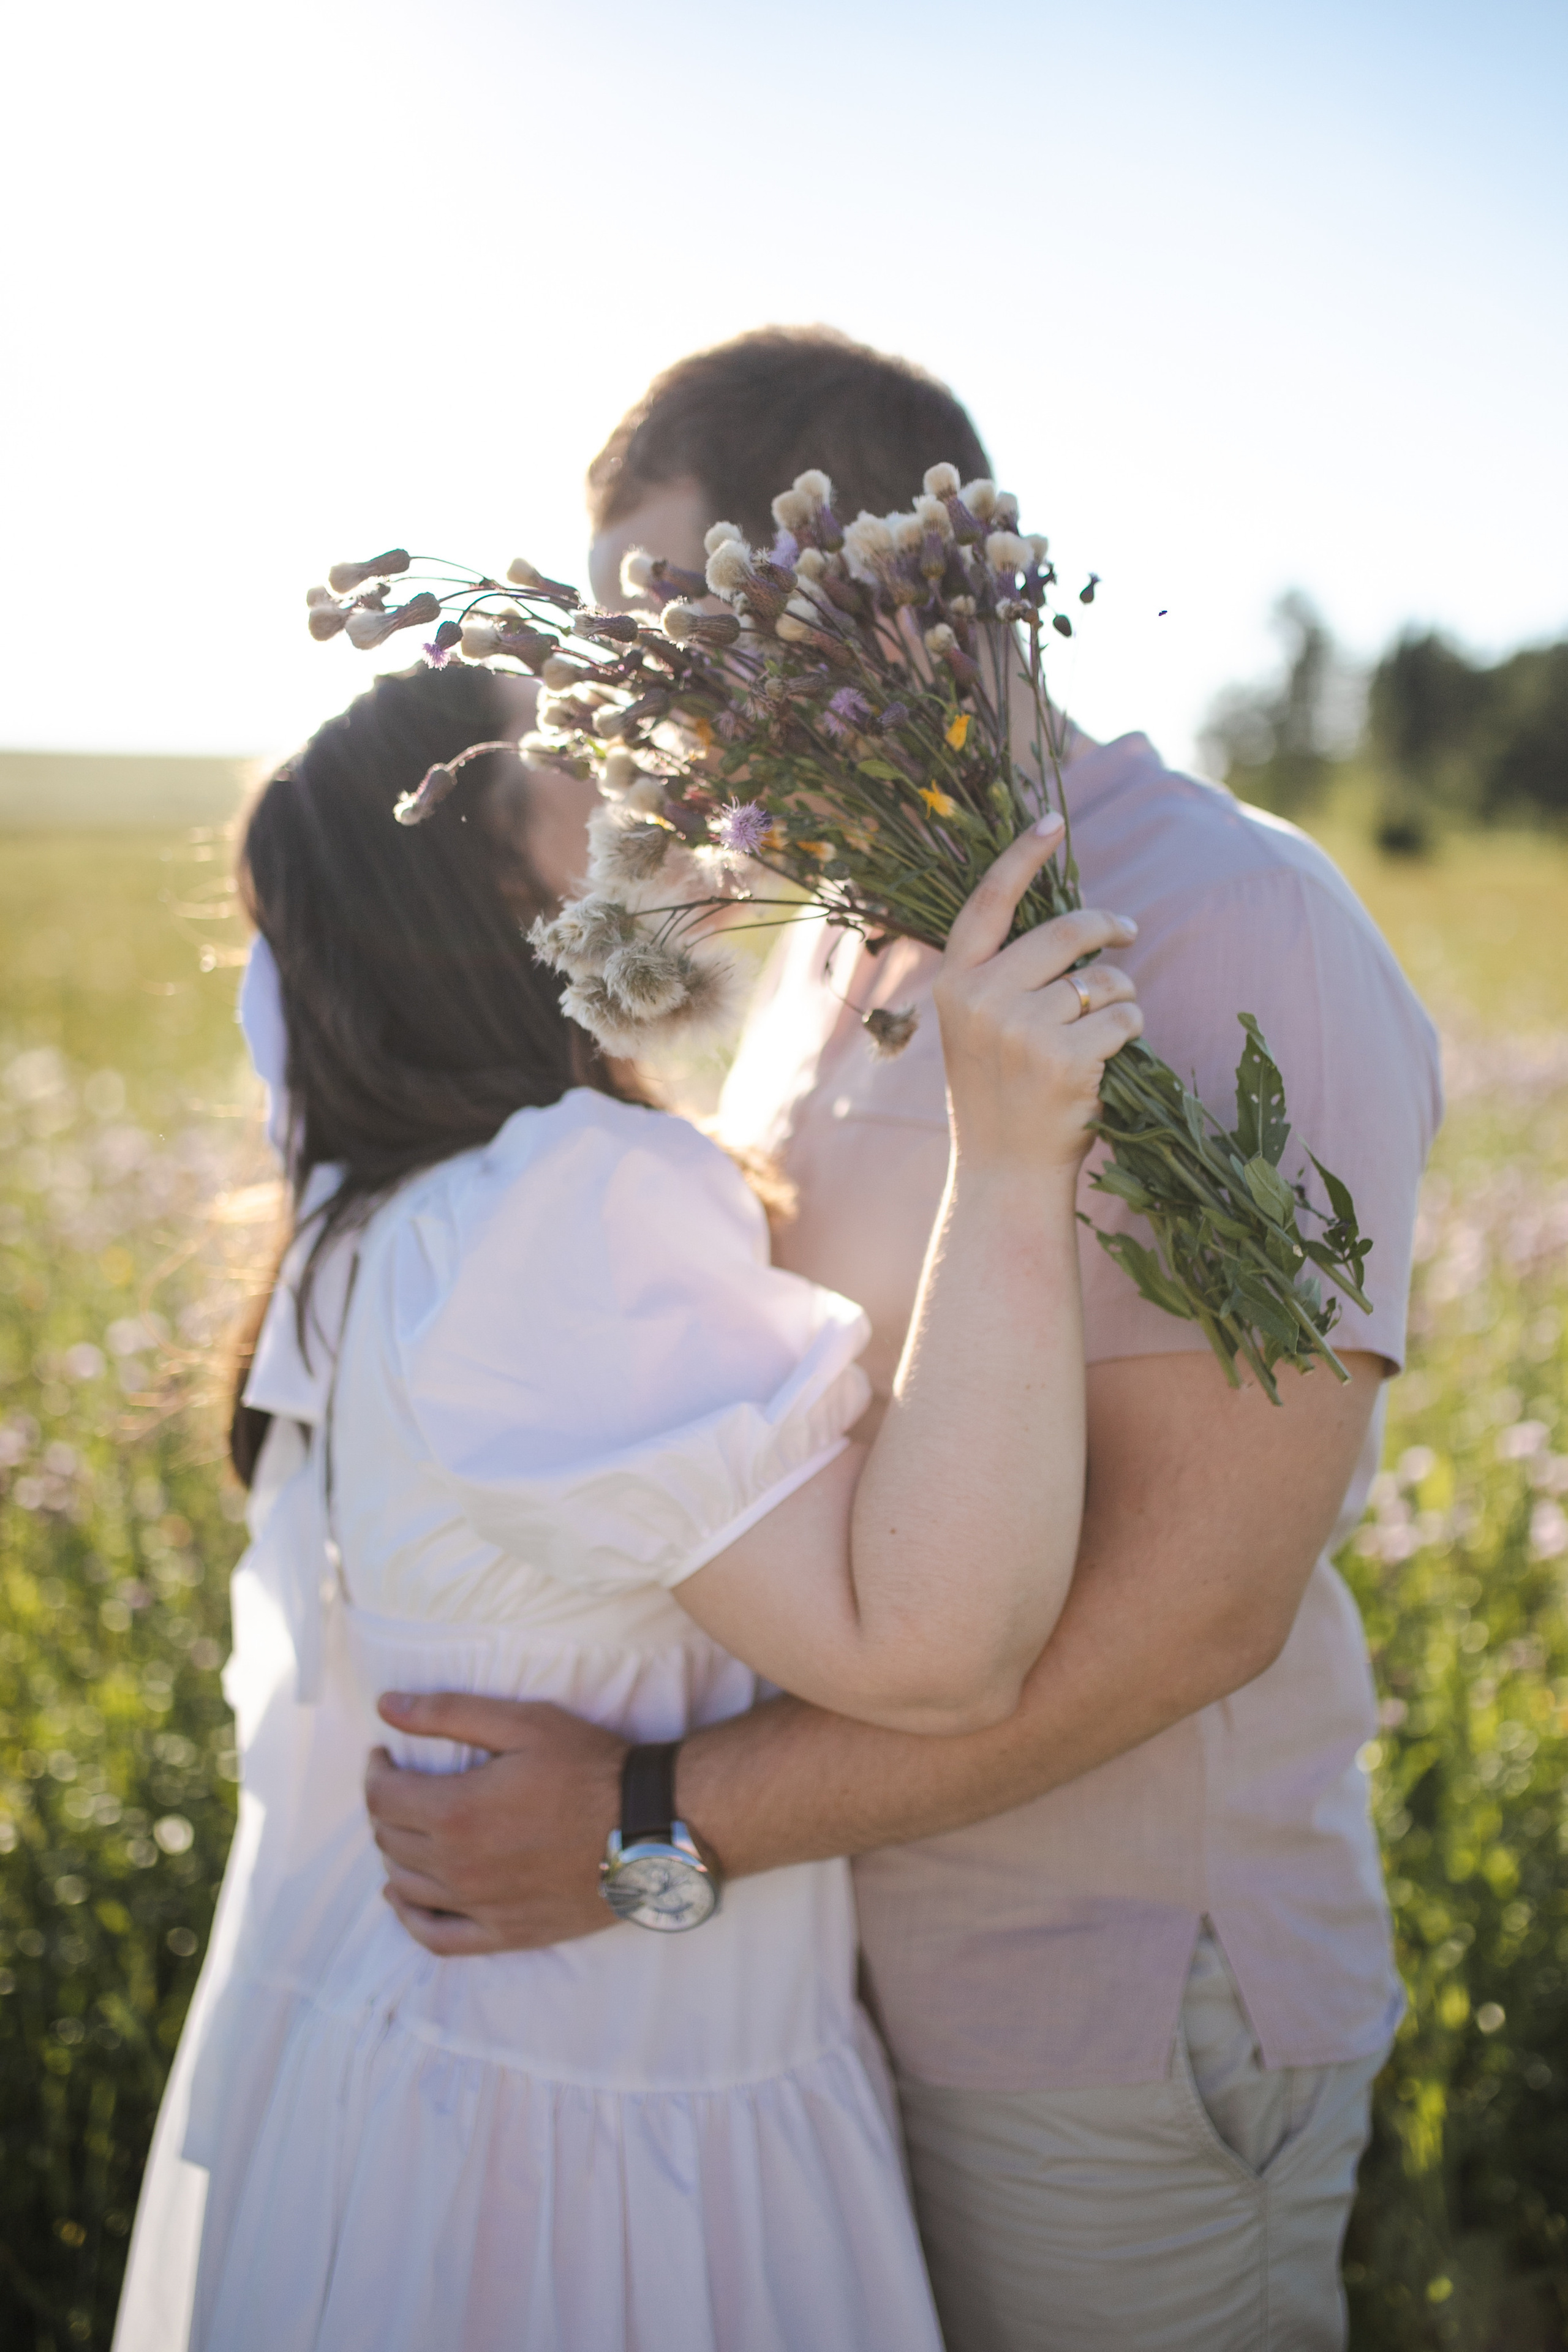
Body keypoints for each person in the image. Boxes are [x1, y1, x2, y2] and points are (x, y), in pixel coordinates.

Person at [364, 328, 1446, 2351]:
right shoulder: (826, 949)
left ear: (895, 581)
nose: (642, 715)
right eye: (616, 657)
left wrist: (643, 1829)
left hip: (1110, 2006)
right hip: (816, 2001)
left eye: (678, 632)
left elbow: (1206, 1609)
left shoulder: (1229, 926)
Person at [112, 656, 1144, 2352]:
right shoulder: (556, 1216)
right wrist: (1014, 1154)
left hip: (445, 2077)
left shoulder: (398, 1222)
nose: (651, 787)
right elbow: (932, 1649)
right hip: (581, 2153)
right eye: (578, 775)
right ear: (496, 898)